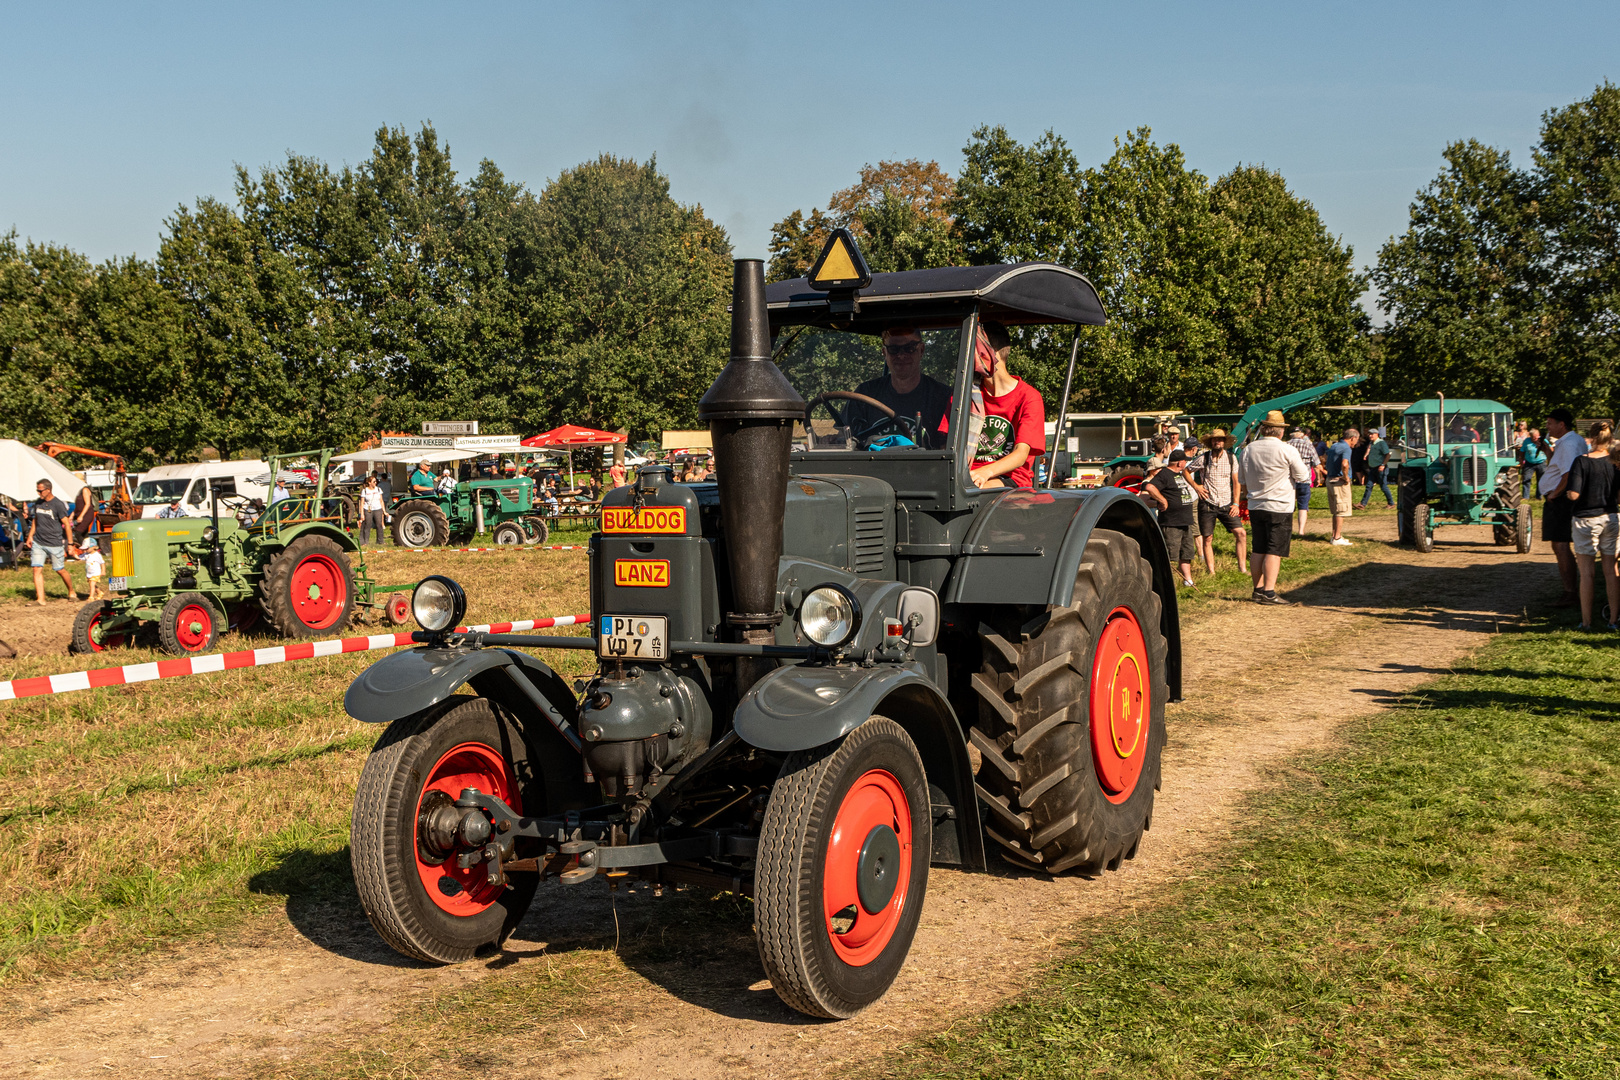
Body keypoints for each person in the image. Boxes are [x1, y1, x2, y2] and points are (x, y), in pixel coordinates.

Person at [938, 321, 1045, 488]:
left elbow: (1021, 455)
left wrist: (985, 472)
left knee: (966, 490)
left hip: (1010, 481)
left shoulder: (1029, 397)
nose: (963, 358)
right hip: (965, 477)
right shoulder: (964, 394)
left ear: (987, 353)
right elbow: (947, 445)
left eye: (969, 351)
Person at [1238, 411, 1310, 605]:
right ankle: (1269, 592)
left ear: (1263, 429)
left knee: (1258, 547)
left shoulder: (1248, 449)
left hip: (1255, 504)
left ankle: (1258, 589)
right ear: (1280, 431)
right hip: (1279, 504)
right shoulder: (1286, 449)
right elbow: (1303, 476)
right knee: (1274, 549)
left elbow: (1241, 479)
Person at [844, 327, 953, 446]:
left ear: (921, 350)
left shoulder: (943, 397)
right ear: (884, 353)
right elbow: (843, 438)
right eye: (894, 349)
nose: (901, 355)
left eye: (909, 349)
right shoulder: (864, 394)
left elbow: (947, 451)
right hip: (872, 464)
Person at [1561, 421, 1619, 630]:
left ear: (1591, 437)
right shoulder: (1615, 462)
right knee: (1611, 570)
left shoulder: (1581, 462)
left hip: (1586, 519)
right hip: (1610, 517)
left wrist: (1569, 493)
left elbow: (1574, 493)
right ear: (1610, 439)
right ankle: (1613, 620)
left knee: (1587, 573)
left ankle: (1586, 621)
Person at [1540, 409, 1589, 607]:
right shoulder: (1571, 441)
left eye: (1550, 423)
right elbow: (1559, 466)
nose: (1547, 427)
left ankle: (1570, 593)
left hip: (1561, 500)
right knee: (1560, 544)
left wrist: (1554, 493)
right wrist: (1547, 452)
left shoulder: (1568, 444)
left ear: (1562, 424)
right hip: (1562, 499)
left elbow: (1568, 474)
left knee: (1560, 544)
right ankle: (1571, 591)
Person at [1140, 448, 1201, 587]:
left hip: (1184, 521)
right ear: (1179, 463)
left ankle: (1188, 581)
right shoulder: (1165, 474)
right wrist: (1162, 500)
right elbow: (1149, 486)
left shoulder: (1178, 474)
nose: (1186, 463)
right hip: (1171, 522)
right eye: (1184, 461)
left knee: (1186, 553)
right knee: (1170, 555)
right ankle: (1165, 584)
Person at [1192, 428, 1247, 576]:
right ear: (1211, 442)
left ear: (1224, 442)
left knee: (1241, 533)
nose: (1217, 442)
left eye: (1220, 439)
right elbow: (1186, 470)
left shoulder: (1231, 458)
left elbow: (1236, 482)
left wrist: (1236, 503)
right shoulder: (1203, 458)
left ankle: (1242, 569)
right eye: (1215, 440)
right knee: (1207, 538)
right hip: (1208, 503)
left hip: (1226, 503)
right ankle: (1211, 571)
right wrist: (1196, 486)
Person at [26, 480, 79, 604]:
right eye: (37, 490)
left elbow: (66, 524)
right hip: (38, 542)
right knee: (36, 569)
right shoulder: (38, 503)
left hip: (54, 543)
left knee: (59, 569)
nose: (38, 493)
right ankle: (41, 599)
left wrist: (70, 544)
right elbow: (35, 520)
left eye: (40, 491)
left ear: (48, 490)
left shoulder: (58, 504)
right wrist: (30, 536)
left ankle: (71, 591)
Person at [1323, 427, 1360, 546]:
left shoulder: (1335, 445)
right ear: (1352, 438)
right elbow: (1345, 464)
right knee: (1341, 510)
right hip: (1339, 482)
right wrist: (1346, 477)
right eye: (1356, 440)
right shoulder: (1346, 448)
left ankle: (1334, 535)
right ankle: (1337, 538)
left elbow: (1324, 457)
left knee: (1335, 510)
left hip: (1330, 479)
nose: (1356, 442)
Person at [1287, 427, 1320, 535]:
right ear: (1302, 435)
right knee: (1303, 506)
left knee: (1288, 506)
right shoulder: (1308, 445)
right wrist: (1318, 478)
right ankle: (1301, 531)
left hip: (1289, 480)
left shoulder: (1286, 445)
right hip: (1304, 479)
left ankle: (1288, 529)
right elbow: (1316, 463)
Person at [1359, 427, 1394, 508]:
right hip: (1372, 468)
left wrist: (1383, 465)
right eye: (1369, 434)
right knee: (1369, 486)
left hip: (1380, 468)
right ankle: (1362, 504)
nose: (1370, 436)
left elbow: (1387, 455)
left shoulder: (1381, 443)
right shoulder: (1371, 443)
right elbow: (1369, 449)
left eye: (1372, 434)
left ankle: (1391, 503)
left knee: (1383, 486)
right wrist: (1366, 455)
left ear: (1377, 434)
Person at [358, 474, 388, 546]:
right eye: (374, 482)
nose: (375, 483)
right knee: (367, 525)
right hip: (368, 509)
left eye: (376, 481)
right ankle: (365, 542)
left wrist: (384, 511)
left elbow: (381, 501)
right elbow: (362, 503)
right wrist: (362, 514)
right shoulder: (365, 491)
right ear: (369, 482)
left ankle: (380, 541)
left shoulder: (378, 489)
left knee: (379, 525)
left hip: (378, 509)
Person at [1520, 426, 1547, 498]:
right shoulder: (1527, 441)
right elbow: (1522, 451)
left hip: (1541, 463)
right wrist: (1521, 461)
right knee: (1526, 479)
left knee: (1541, 480)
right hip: (1529, 463)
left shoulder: (1543, 440)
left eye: (1537, 437)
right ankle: (1525, 497)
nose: (1535, 439)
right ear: (1530, 436)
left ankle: (1539, 496)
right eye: (1533, 437)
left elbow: (1550, 450)